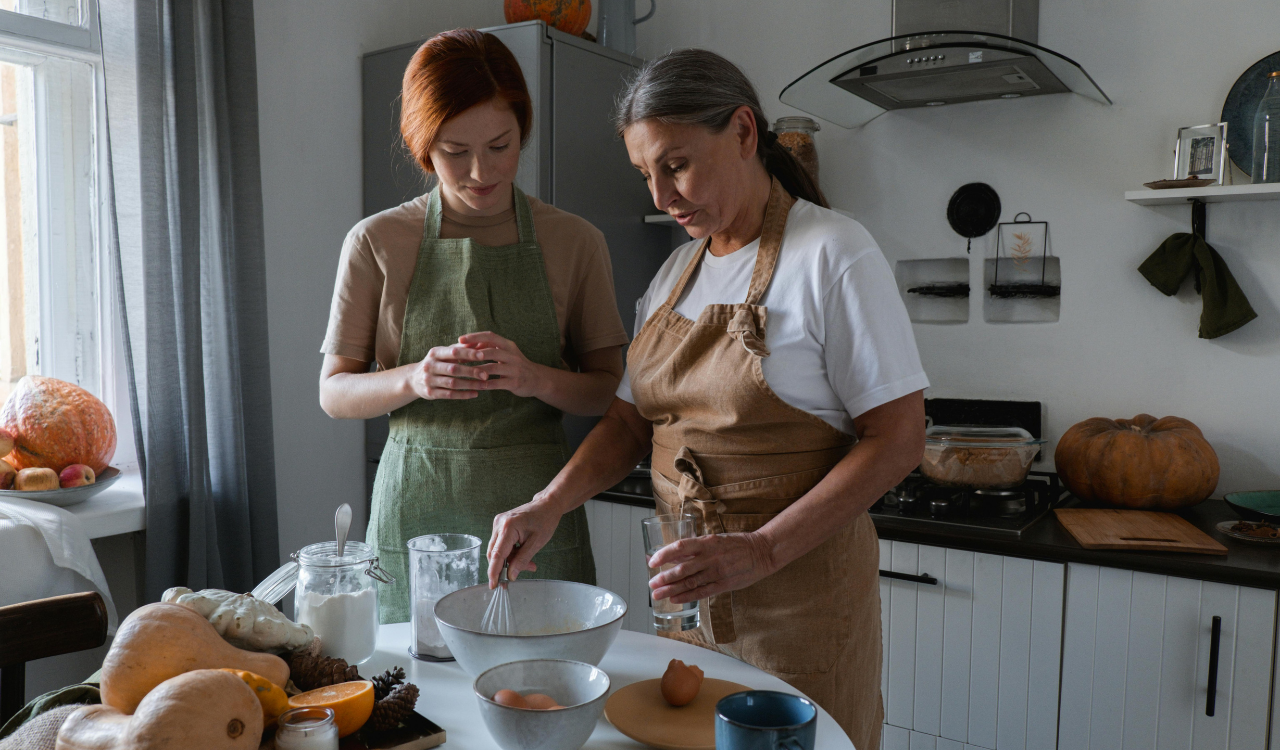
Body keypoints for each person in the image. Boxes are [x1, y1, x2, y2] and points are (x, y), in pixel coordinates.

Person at [485, 49, 929, 748]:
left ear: (745, 133)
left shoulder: (834, 252)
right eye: (646, 174)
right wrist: (551, 503)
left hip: (801, 608)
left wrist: (760, 550)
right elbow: (630, 422)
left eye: (677, 164)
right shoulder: (674, 274)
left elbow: (899, 438)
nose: (661, 196)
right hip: (692, 607)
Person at [318, 29, 628, 623]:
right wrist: (415, 378)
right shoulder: (377, 242)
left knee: (543, 689)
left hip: (538, 515)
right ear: (422, 145)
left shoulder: (575, 241)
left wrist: (534, 377)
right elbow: (334, 392)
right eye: (455, 152)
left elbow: (606, 389)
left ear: (523, 132)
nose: (481, 171)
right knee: (416, 702)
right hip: (414, 516)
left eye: (501, 145)